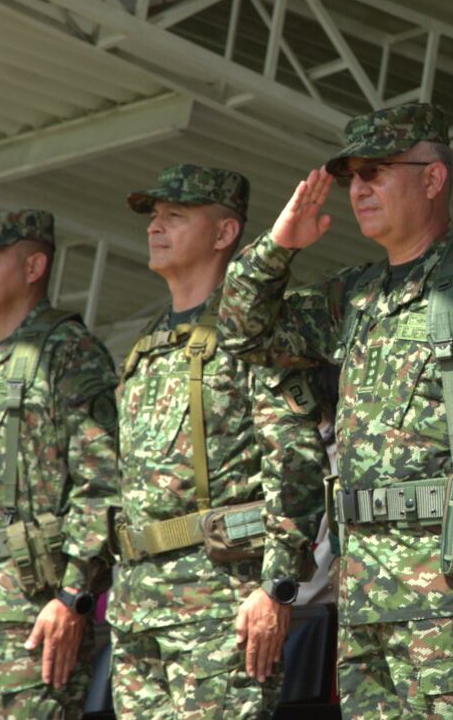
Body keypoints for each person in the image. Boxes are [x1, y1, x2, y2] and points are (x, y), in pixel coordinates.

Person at [217, 102, 453, 717]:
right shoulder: (355, 294)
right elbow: (244, 332)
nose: (359, 188)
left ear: (432, 179)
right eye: (352, 176)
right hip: (365, 601)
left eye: (376, 171)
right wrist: (278, 247)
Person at [110, 165, 328, 718]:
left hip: (219, 601)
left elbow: (294, 464)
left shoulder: (251, 335)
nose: (155, 228)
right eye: (153, 218)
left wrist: (276, 586)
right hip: (139, 606)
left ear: (225, 233)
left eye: (175, 216)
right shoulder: (147, 344)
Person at [0, 210, 119, 717]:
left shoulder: (67, 352)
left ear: (34, 266)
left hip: (32, 608)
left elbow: (101, 485)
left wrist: (75, 594)